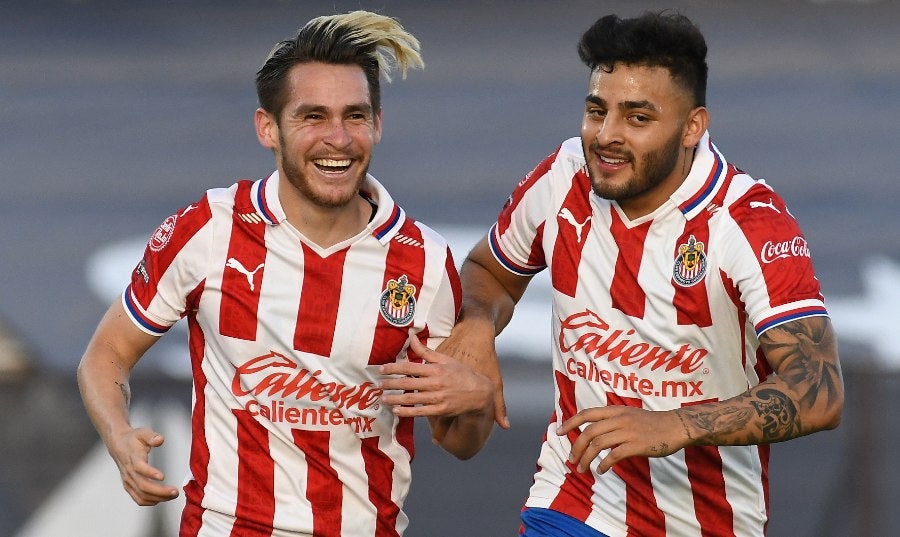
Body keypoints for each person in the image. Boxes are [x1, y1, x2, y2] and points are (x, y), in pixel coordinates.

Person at [76, 11, 493, 537]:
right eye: (312, 117)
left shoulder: (425, 262)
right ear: (267, 128)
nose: (337, 138)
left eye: (355, 116)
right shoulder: (209, 230)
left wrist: (474, 403)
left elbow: (459, 441)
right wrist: (118, 436)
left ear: (378, 125)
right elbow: (106, 352)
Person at [439, 11, 844, 537]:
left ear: (692, 127)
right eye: (596, 110)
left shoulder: (747, 223)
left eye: (637, 118)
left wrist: (672, 424)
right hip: (572, 503)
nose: (605, 136)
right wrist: (477, 324)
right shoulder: (564, 176)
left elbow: (820, 392)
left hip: (708, 521)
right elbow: (489, 271)